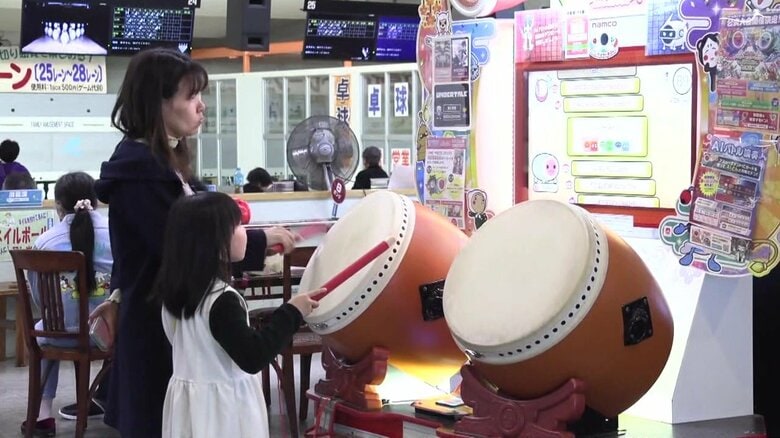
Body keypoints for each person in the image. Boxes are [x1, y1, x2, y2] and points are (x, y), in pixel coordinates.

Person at [89, 47, 298, 437]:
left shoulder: (162, 160)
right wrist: (258, 242)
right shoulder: (140, 171)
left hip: (174, 319)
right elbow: (183, 245)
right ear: (158, 102)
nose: (202, 106)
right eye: (191, 96)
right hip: (159, 326)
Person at [152, 192, 323, 437]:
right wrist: (293, 311)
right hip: (224, 412)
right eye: (239, 226)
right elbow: (253, 356)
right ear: (217, 243)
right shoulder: (222, 300)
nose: (246, 232)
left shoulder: (176, 291)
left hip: (190, 407)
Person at [21, 172, 113, 436]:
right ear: (96, 201)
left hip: (59, 334)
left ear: (59, 206)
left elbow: (40, 299)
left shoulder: (44, 242)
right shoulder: (115, 234)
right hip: (108, 335)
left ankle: (42, 415)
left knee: (46, 329)